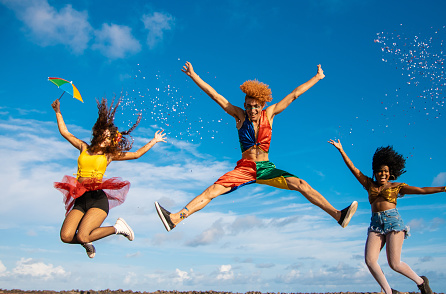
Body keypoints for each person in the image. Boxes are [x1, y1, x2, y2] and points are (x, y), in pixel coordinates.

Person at [155, 62, 357, 231]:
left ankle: (338, 215)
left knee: (302, 185)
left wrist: (317, 77)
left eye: (256, 106)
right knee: (212, 191)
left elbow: (294, 95)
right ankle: (175, 218)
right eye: (248, 105)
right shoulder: (239, 116)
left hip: (266, 169)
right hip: (244, 169)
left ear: (262, 105)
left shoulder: (269, 114)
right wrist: (193, 75)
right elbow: (216, 96)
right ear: (244, 105)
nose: (252, 109)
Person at [329, 137, 446, 294]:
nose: (382, 174)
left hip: (393, 222)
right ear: (375, 172)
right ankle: (390, 293)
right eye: (379, 171)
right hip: (375, 224)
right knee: (370, 260)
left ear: (390, 173)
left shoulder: (397, 186)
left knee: (394, 263)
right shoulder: (369, 184)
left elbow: (420, 190)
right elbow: (353, 169)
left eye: (386, 172)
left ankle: (421, 282)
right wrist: (341, 150)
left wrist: (443, 188)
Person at [52, 98, 166, 258]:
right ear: (98, 135)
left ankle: (118, 228)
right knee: (66, 237)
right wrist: (57, 111)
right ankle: (88, 240)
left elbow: (136, 154)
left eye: (109, 139)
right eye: (104, 136)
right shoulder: (84, 147)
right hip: (80, 198)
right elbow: (65, 132)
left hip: (97, 199)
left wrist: (154, 140)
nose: (106, 141)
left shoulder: (109, 156)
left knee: (83, 236)